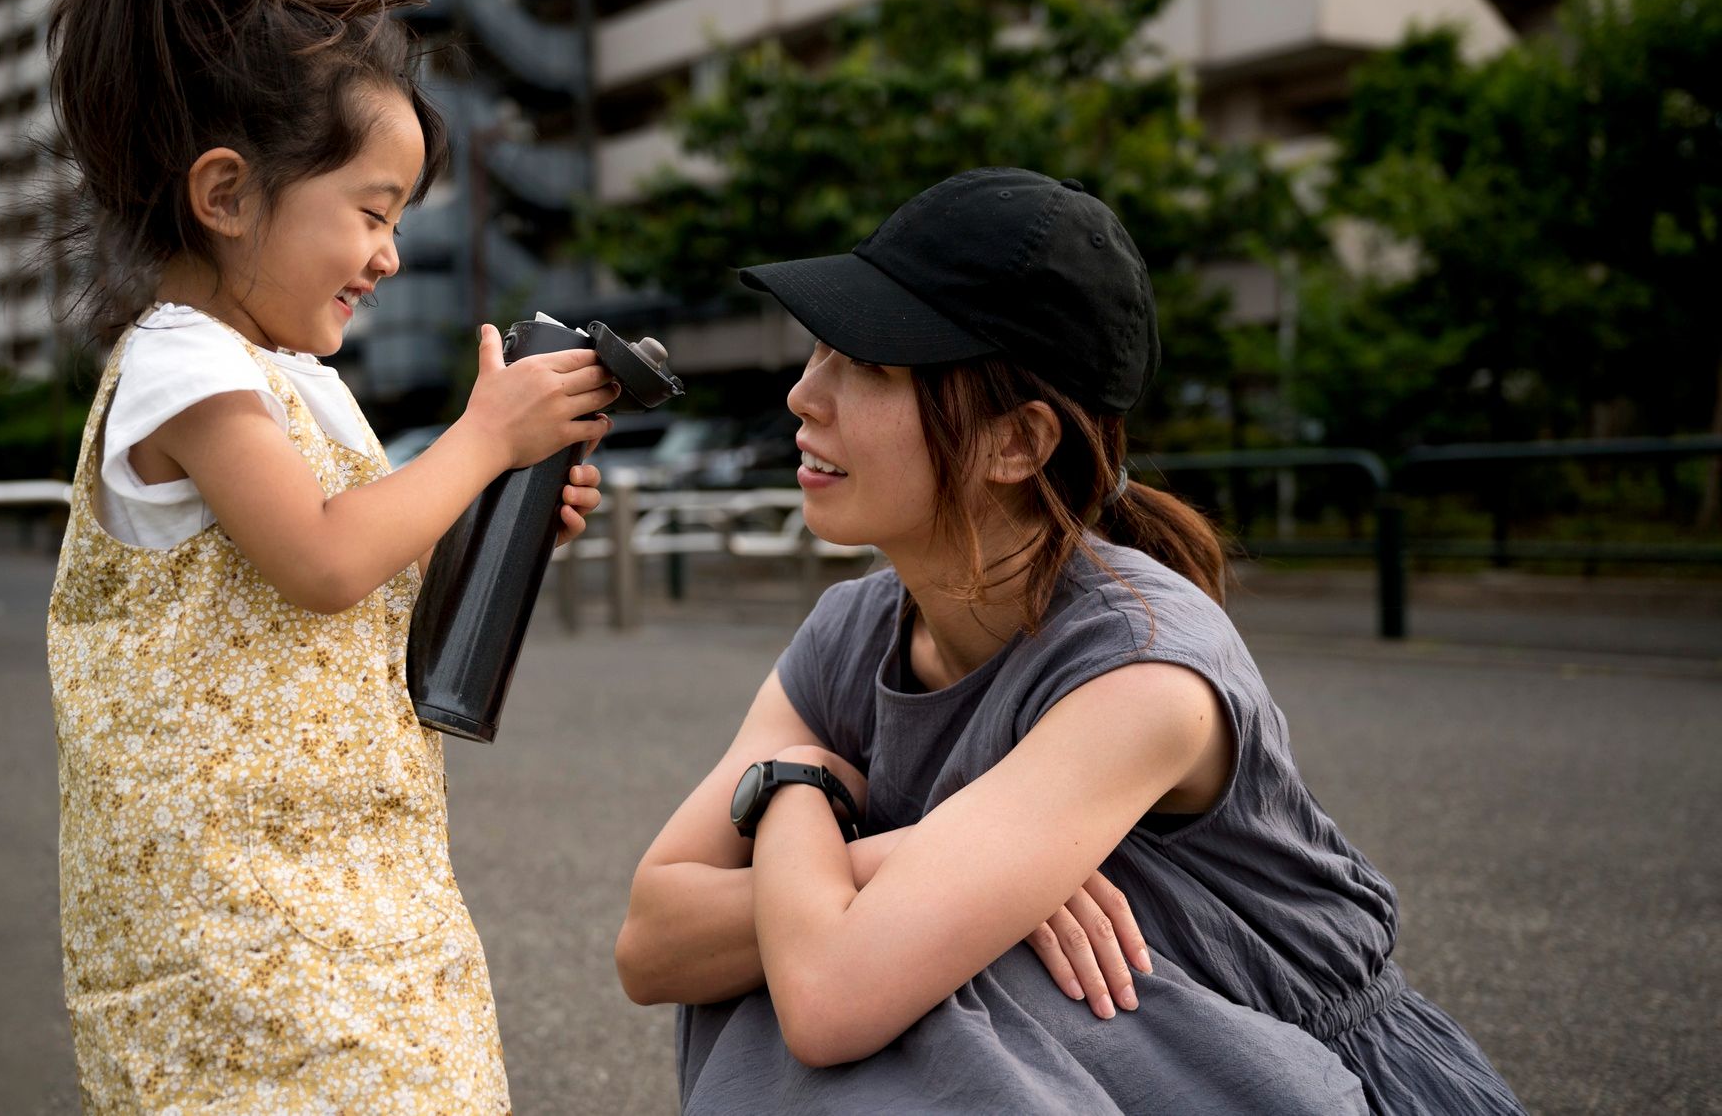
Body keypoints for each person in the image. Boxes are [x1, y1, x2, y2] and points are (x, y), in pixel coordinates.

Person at [617, 168, 1522, 1114]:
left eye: (870, 366)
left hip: (1286, 1069)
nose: (805, 395)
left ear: (1018, 442)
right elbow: (650, 944)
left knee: (852, 965)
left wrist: (793, 788)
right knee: (844, 954)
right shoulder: (851, 631)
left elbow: (831, 996)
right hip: (1110, 1065)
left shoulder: (1144, 669)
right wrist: (922, 867)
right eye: (817, 352)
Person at [40, 0, 617, 1111]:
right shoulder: (183, 365)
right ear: (228, 194)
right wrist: (483, 439)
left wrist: (497, 509)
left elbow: (374, 574)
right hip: (233, 925)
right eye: (370, 211)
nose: (389, 256)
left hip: (364, 877)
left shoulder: (300, 382)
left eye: (399, 219)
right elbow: (318, 559)